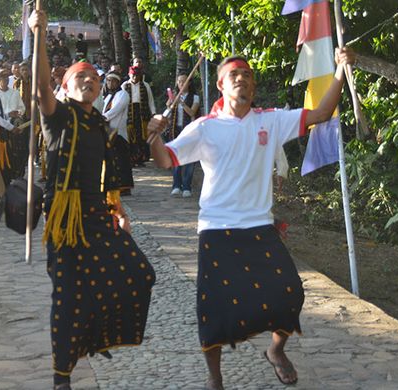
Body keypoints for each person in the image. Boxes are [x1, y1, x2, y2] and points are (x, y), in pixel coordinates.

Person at [146, 50, 356, 389]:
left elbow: (322, 112)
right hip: (216, 228)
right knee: (213, 309)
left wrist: (341, 71)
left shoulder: (269, 121)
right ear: (221, 86)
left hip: (259, 225)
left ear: (253, 86)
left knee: (290, 292)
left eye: (247, 75)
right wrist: (154, 135)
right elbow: (165, 161)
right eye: (234, 76)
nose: (242, 79)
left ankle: (276, 350)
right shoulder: (205, 128)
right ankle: (215, 378)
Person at [29, 11, 156, 390]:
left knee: (139, 275)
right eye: (78, 77)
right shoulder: (58, 116)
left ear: (100, 87)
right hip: (65, 221)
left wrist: (118, 212)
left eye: (93, 77)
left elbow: (108, 181)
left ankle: (91, 339)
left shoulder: (100, 125)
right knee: (68, 299)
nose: (87, 80)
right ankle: (61, 376)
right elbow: (39, 90)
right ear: (65, 87)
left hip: (99, 217)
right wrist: (38, 35)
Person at [165, 74, 200, 198]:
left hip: (189, 132)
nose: (181, 83)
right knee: (176, 158)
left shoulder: (195, 97)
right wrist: (170, 102)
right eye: (179, 81)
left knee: (189, 159)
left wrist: (182, 103)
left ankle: (187, 187)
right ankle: (176, 186)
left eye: (183, 81)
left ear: (188, 83)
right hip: (175, 130)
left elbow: (192, 112)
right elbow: (168, 110)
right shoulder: (174, 97)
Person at [102, 71, 133, 194]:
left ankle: (124, 187)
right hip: (108, 132)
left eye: (112, 80)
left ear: (118, 82)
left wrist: (103, 117)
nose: (110, 83)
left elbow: (116, 109)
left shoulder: (123, 94)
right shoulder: (107, 96)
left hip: (119, 132)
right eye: (108, 80)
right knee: (112, 160)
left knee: (121, 160)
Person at [0, 68, 28, 181]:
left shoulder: (15, 92)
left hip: (16, 125)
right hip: (2, 127)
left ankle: (18, 174)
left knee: (18, 151)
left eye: (6, 77)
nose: (5, 80)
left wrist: (18, 113)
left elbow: (22, 108)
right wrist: (7, 114)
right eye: (2, 78)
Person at [121, 66, 155, 166]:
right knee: (131, 136)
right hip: (129, 113)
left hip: (142, 113)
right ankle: (131, 159)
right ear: (129, 75)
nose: (135, 77)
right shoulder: (124, 85)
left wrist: (153, 113)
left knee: (141, 137)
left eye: (137, 75)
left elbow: (150, 100)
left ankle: (141, 159)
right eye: (133, 75)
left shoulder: (145, 85)